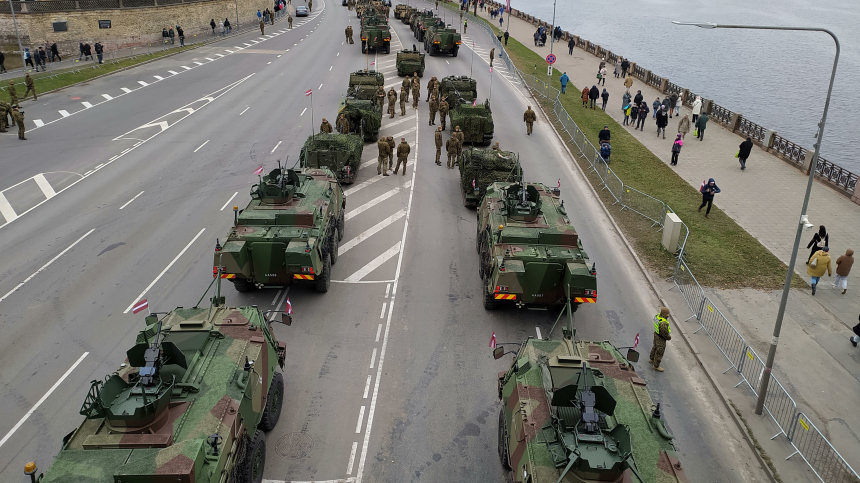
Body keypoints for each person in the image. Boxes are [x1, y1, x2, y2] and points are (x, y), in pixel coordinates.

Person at [650, 307, 671, 372]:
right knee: (660, 351)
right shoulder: (663, 323)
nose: (668, 315)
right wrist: (668, 337)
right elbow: (664, 333)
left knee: (655, 347)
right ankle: (656, 366)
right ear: (665, 314)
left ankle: (651, 358)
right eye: (667, 314)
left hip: (656, 334)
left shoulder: (657, 316)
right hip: (660, 338)